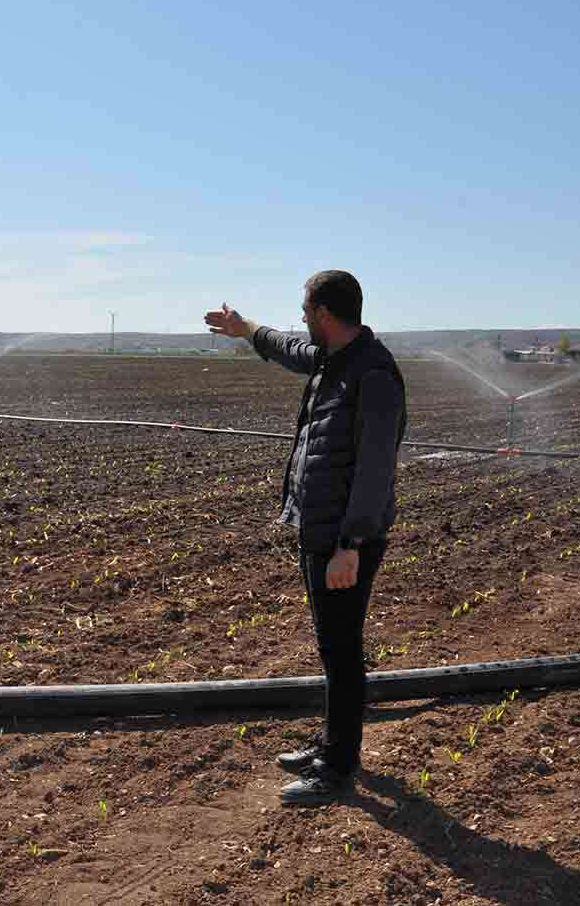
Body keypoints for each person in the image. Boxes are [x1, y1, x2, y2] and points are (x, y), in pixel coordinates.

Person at [204, 270, 407, 805]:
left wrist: (352, 546)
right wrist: (245, 328)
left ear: (323, 313)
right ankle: (331, 746)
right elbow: (287, 347)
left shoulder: (374, 375)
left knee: (342, 651)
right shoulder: (333, 360)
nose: (300, 318)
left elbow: (374, 471)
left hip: (344, 539)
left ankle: (336, 769)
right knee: (331, 646)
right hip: (321, 529)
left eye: (304, 309)